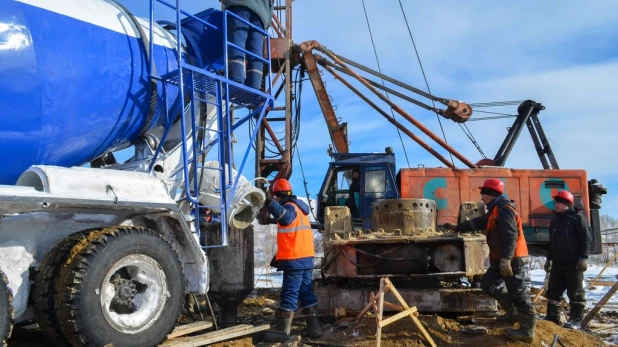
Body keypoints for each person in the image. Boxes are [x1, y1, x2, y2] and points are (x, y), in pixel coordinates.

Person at [443, 178, 536, 343]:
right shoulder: (494, 211)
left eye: (483, 195)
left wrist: (506, 260)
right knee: (487, 283)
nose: (482, 198)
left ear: (491, 194)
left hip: (512, 259)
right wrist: (457, 227)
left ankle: (527, 330)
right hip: (500, 259)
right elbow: (478, 222)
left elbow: (510, 236)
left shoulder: (504, 209)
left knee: (518, 293)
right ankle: (512, 313)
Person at [262, 179, 321, 341]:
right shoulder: (301, 209)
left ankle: (283, 332)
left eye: (274, 198)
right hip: (305, 259)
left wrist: (268, 202)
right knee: (306, 293)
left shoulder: (289, 207)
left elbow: (286, 218)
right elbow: (293, 234)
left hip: (295, 260)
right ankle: (314, 329)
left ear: (277, 195)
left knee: (289, 294)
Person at [544, 190, 591, 328]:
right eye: (555, 202)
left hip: (573, 262)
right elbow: (552, 242)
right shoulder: (554, 220)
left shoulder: (577, 218)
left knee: (575, 292)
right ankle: (552, 318)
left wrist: (583, 258)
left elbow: (586, 239)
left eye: (557, 202)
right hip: (558, 261)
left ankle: (575, 320)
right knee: (553, 291)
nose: (555, 205)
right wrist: (549, 259)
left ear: (566, 204)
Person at [222, 0, 274, 90]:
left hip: (240, 5)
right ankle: (254, 85)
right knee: (256, 51)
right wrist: (266, 22)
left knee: (237, 41)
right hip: (261, 16)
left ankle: (235, 80)